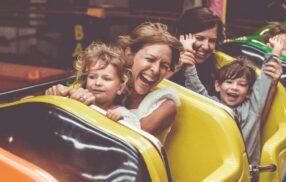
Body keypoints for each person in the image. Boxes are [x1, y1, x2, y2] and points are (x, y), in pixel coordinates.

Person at [46, 22, 183, 143]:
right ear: (129, 55)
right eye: (150, 59)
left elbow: (127, 140)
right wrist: (60, 95)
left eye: (164, 66)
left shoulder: (165, 105)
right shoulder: (105, 84)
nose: (156, 70)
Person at [182, 35, 283, 172]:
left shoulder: (252, 107)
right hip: (218, 169)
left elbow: (265, 79)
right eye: (229, 82)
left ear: (248, 92)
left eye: (241, 84)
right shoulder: (212, 105)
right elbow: (195, 86)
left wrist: (275, 52)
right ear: (218, 86)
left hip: (245, 174)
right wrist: (188, 55)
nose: (234, 88)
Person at [45, 42, 140, 128]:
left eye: (106, 79)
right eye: (92, 77)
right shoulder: (75, 99)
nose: (97, 83)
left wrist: (119, 123)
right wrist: (56, 99)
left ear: (120, 88)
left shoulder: (125, 116)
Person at [168, 6, 225, 96]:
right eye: (199, 38)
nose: (206, 47)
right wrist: (175, 67)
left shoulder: (214, 68)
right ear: (182, 36)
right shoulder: (163, 56)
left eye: (212, 41)